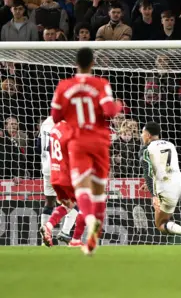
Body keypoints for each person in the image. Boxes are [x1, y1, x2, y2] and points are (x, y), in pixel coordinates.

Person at [50, 48, 123, 256]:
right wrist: (118, 106)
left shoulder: (64, 86)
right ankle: (94, 235)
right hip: (100, 141)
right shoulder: (101, 84)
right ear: (92, 63)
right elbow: (109, 111)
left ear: (76, 63)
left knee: (82, 187)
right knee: (99, 191)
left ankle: (90, 221)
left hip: (77, 142)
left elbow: (55, 116)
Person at [39, 119, 86, 248]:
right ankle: (74, 238)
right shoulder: (70, 128)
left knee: (66, 203)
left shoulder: (51, 126)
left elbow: (40, 146)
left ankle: (48, 227)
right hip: (67, 172)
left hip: (52, 171)